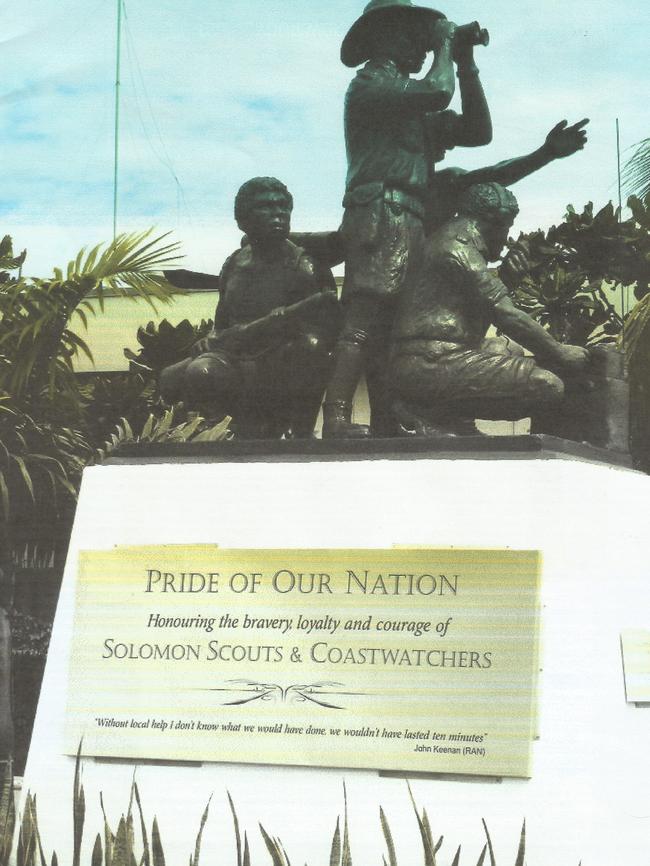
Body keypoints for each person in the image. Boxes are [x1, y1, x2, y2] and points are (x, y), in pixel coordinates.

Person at [324, 0, 493, 438]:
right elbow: (438, 90)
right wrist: (443, 46)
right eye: (411, 37)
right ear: (380, 38)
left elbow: (477, 132)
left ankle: (389, 416)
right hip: (382, 210)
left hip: (411, 216)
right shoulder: (370, 86)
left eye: (425, 39)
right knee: (366, 315)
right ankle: (337, 416)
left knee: (397, 325)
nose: (421, 47)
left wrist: (466, 64)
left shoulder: (411, 102)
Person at [389, 182, 589, 433]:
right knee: (548, 385)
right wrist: (559, 351)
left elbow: (469, 318)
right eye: (506, 229)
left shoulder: (451, 240)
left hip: (432, 356)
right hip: (428, 365)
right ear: (492, 223)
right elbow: (505, 315)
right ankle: (428, 412)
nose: (505, 241)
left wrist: (506, 279)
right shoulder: (458, 249)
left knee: (508, 349)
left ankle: (447, 416)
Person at [160, 178, 338, 439]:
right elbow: (221, 322)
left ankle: (297, 431)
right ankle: (220, 434)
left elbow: (326, 328)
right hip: (237, 356)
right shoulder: (233, 264)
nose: (278, 213)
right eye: (265, 206)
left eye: (283, 206)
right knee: (201, 371)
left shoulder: (304, 266)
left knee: (312, 345)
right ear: (243, 220)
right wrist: (210, 337)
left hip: (281, 358)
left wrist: (281, 323)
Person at [425, 117, 590, 233]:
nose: (449, 145)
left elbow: (498, 173)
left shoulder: (445, 183)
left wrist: (546, 153)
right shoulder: (431, 184)